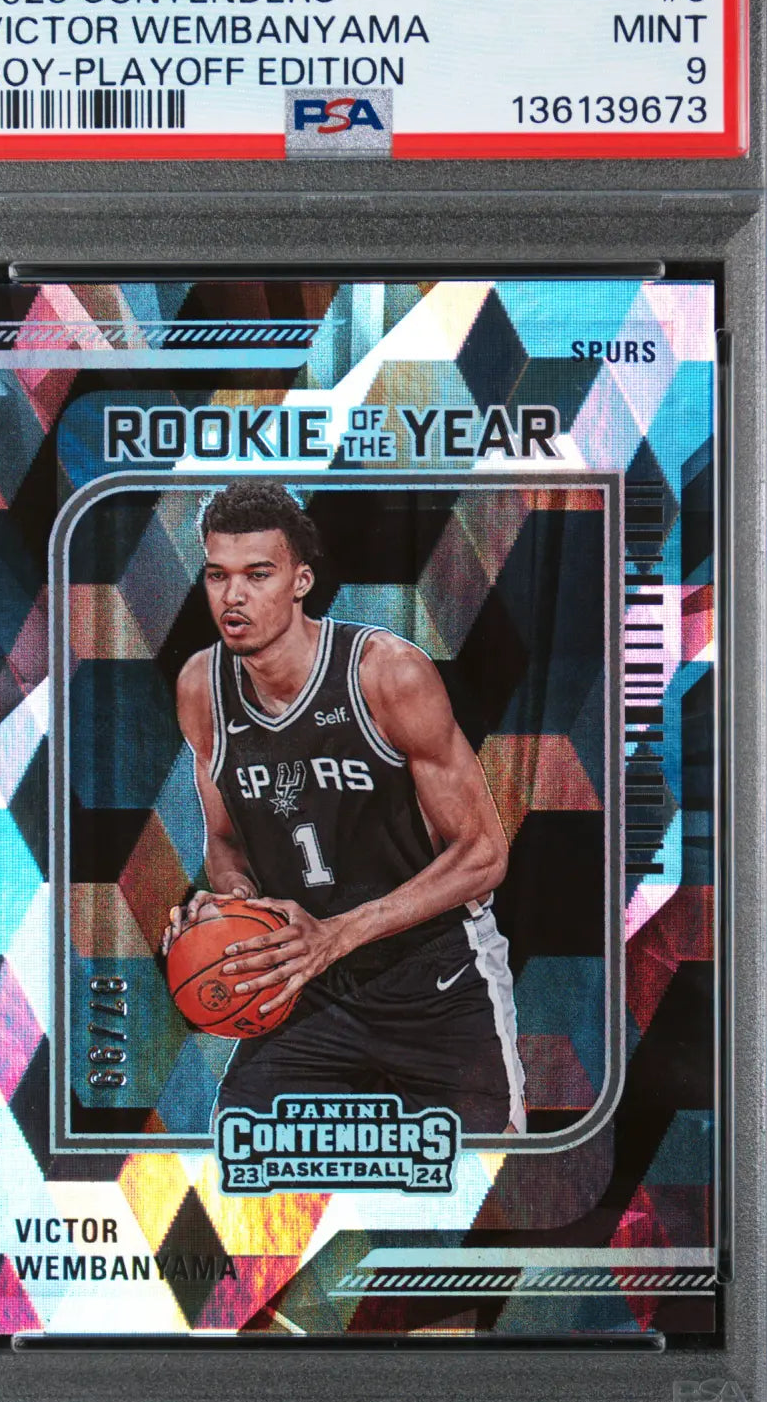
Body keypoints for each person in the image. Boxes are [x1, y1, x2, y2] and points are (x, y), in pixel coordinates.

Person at [161, 479, 526, 1133]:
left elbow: (482, 855)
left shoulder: (385, 673)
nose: (233, 596)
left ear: (300, 581)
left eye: (258, 574)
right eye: (218, 575)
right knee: (240, 1166)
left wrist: (337, 935)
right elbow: (226, 841)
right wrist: (232, 909)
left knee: (490, 1180)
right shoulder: (202, 688)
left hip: (436, 979)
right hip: (308, 984)